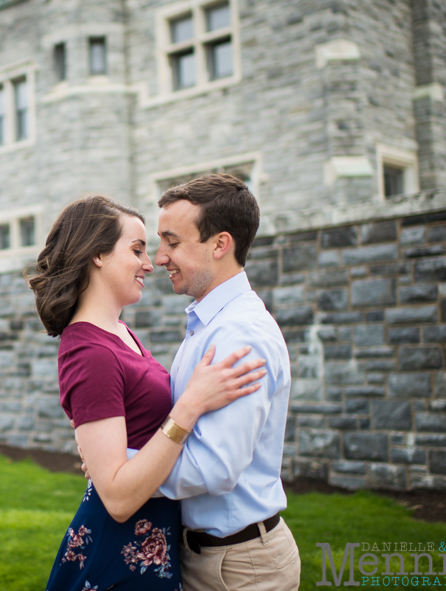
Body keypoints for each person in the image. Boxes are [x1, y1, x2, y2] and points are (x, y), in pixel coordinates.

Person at [27, 194, 268, 591]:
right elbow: (119, 498)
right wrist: (189, 406)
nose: (150, 262)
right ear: (97, 255)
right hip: (120, 556)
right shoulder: (90, 351)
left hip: (156, 543)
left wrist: (124, 457)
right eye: (137, 249)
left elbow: (126, 447)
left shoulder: (120, 334)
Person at [144, 173, 301, 590]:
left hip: (238, 568)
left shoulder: (237, 335)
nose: (160, 258)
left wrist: (122, 467)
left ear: (219, 244)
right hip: (216, 556)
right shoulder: (211, 323)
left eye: (172, 242)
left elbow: (213, 468)